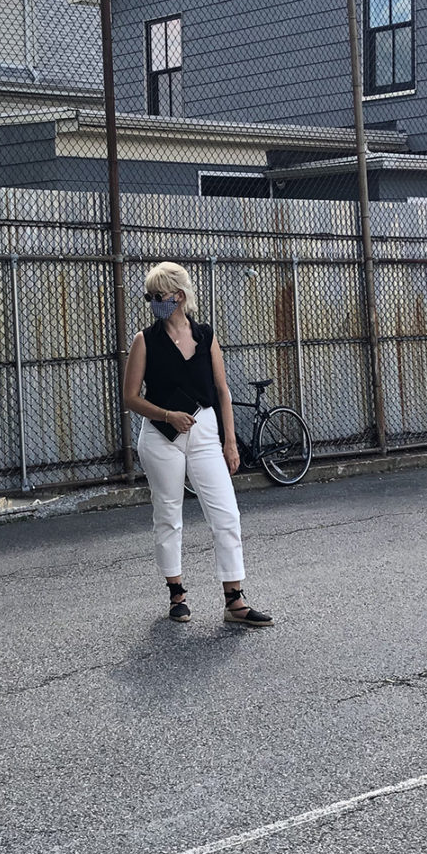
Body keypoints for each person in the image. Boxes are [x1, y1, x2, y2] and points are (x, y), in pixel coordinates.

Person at [121, 261, 274, 627]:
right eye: (151, 297)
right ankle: (177, 594)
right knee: (169, 513)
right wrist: (166, 414)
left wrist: (230, 442)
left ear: (180, 295)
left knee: (226, 513)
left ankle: (234, 600)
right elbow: (130, 398)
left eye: (161, 295)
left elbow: (222, 390)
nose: (156, 302)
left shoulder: (205, 336)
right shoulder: (145, 340)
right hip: (162, 434)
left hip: (204, 429)